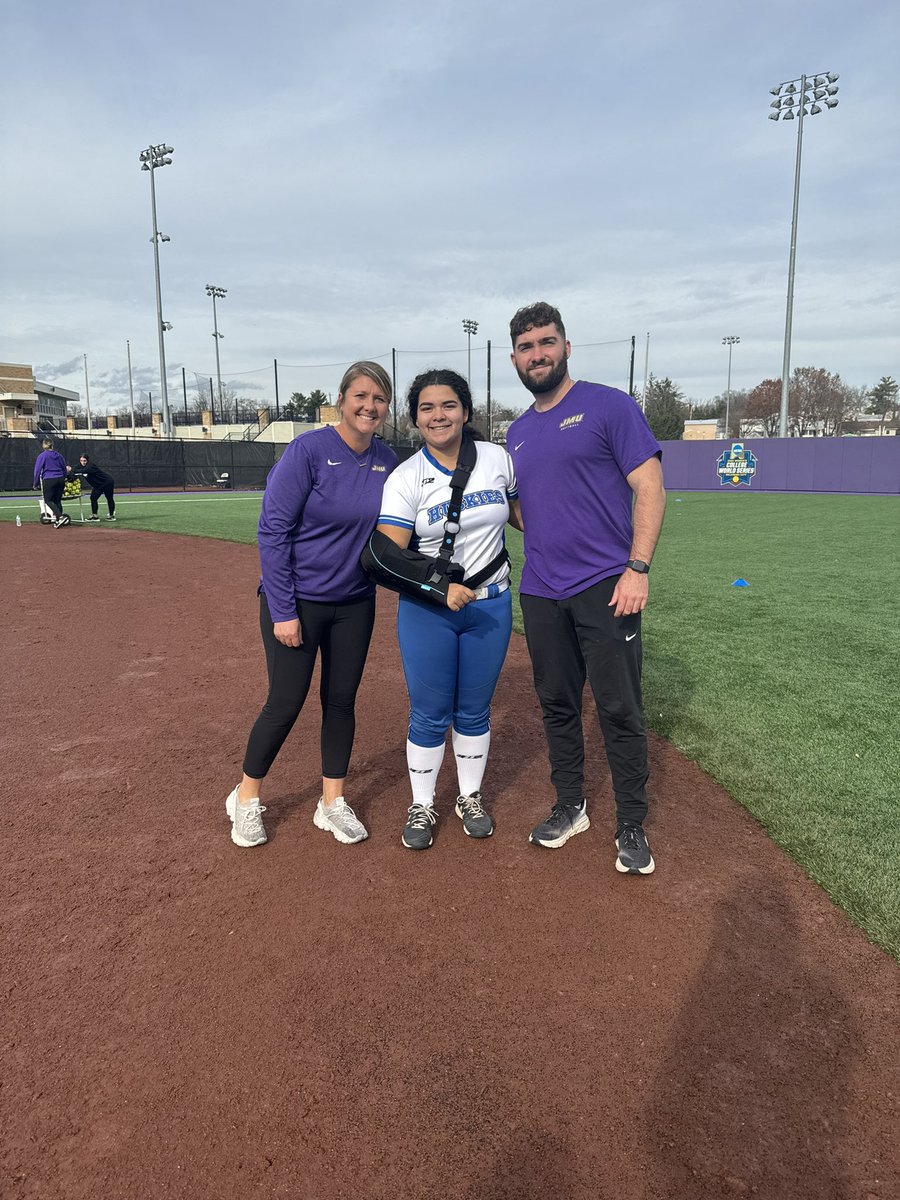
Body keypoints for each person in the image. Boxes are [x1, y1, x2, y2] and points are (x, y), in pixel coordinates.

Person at [506, 302, 666, 875]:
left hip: (607, 585)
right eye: (526, 347)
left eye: (546, 343)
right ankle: (571, 806)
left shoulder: (608, 406)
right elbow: (522, 509)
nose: (537, 355)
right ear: (515, 359)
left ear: (566, 347)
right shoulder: (517, 433)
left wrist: (637, 567)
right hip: (541, 590)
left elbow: (650, 487)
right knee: (557, 704)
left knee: (620, 707)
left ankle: (630, 824)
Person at [226, 362, 397, 849]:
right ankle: (246, 798)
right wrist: (282, 610)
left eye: (379, 398)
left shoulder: (388, 459)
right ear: (342, 399)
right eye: (361, 395)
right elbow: (272, 531)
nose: (369, 406)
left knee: (341, 702)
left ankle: (331, 803)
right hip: (298, 601)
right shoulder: (309, 450)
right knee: (284, 703)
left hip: (355, 603)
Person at [375, 369, 522, 850]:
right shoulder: (406, 476)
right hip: (428, 611)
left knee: (475, 711)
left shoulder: (498, 459)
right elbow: (386, 554)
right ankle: (422, 802)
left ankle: (470, 797)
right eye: (427, 408)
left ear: (465, 410)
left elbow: (525, 517)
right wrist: (439, 590)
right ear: (415, 418)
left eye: (448, 405)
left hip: (491, 605)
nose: (439, 415)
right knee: (430, 713)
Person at [32, 438, 70, 528]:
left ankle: (60, 517)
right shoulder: (59, 455)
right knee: (57, 500)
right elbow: (64, 468)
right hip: (60, 478)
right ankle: (58, 520)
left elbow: (37, 470)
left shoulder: (42, 456)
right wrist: (64, 478)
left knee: (48, 500)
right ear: (52, 445)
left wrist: (35, 483)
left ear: (43, 445)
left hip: (49, 479)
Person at [72, 454, 116, 520]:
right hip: (97, 485)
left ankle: (111, 515)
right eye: (81, 461)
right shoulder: (80, 465)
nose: (83, 462)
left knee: (109, 498)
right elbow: (74, 469)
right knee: (93, 498)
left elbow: (84, 470)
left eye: (84, 461)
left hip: (107, 482)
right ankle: (95, 516)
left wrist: (74, 470)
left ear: (87, 460)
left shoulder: (91, 465)